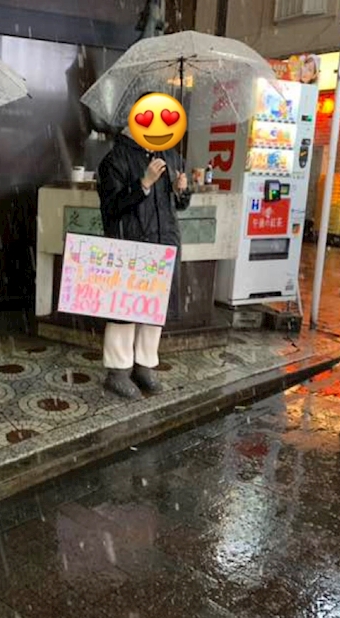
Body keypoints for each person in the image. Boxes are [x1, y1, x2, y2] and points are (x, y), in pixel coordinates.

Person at [96, 93, 191, 399]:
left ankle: (145, 365)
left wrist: (182, 191)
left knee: (154, 309)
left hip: (164, 242)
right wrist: (143, 184)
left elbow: (180, 205)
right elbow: (111, 207)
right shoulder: (115, 160)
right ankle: (118, 370)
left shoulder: (171, 156)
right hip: (131, 244)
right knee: (125, 308)